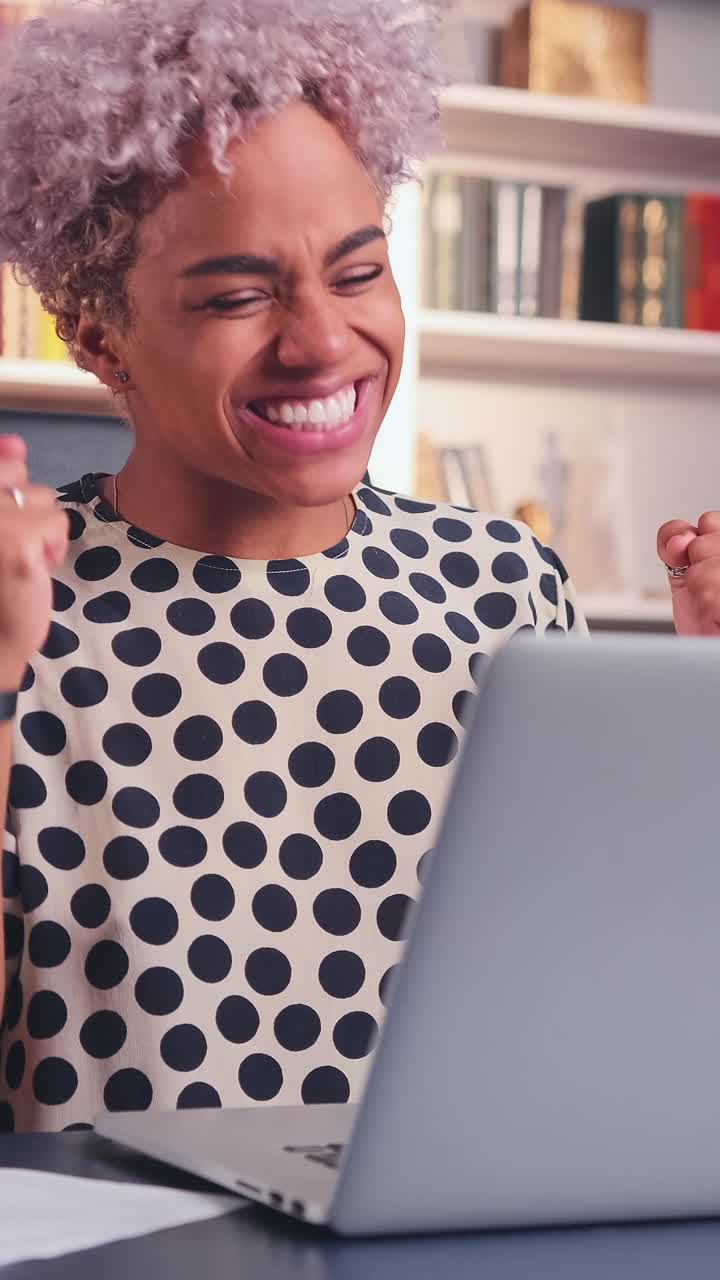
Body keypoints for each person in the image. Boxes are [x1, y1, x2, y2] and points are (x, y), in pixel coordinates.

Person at [0, 0, 704, 1136]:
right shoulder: (27, 611)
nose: (323, 342)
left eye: (359, 269)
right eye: (238, 295)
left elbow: (610, 984)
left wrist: (700, 708)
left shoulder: (505, 587)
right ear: (94, 333)